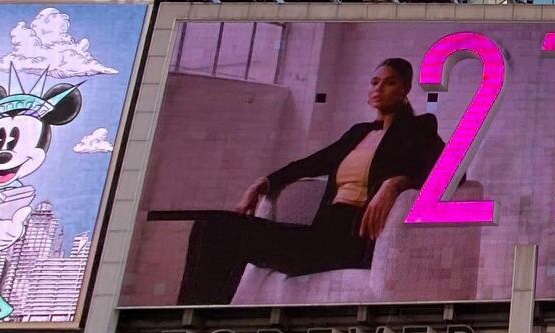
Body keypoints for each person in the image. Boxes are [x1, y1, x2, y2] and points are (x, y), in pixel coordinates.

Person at [177, 57, 445, 305]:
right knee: (210, 225)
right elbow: (310, 163)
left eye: (390, 83)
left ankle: (202, 318)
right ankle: (189, 317)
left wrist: (396, 183)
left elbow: (450, 171)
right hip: (321, 233)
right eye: (375, 82)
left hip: (350, 240)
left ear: (405, 90)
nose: (379, 88)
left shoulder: (419, 128)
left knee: (226, 234)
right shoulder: (357, 133)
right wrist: (262, 183)